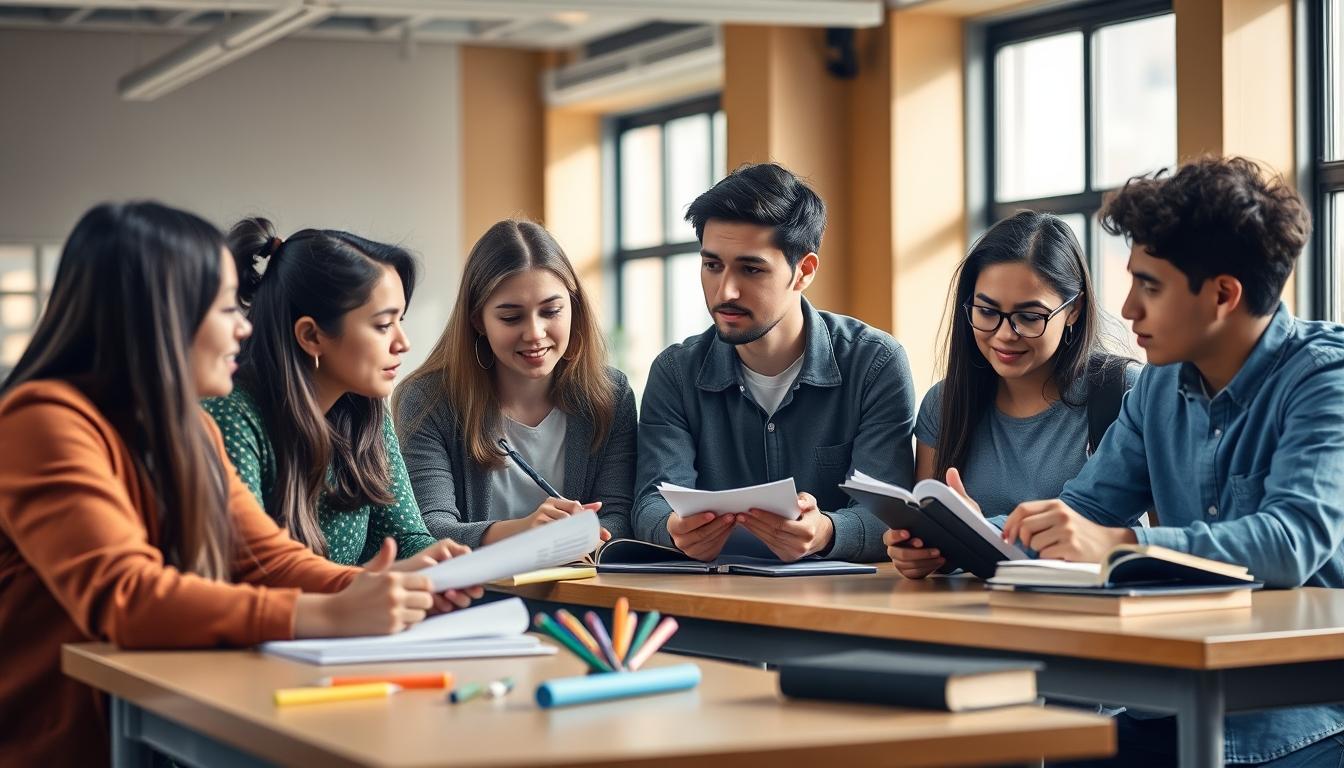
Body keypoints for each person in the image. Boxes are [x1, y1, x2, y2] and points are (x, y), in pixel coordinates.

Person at [894, 157, 1344, 765]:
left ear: (1222, 294)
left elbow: (1290, 541)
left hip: (1300, 717)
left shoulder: (1323, 379)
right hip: (1169, 703)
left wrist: (1120, 546)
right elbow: (1079, 513)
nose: (1127, 309)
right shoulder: (1158, 388)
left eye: (1149, 286)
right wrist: (968, 536)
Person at [0, 202, 463, 765]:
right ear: (161, 318)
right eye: (225, 309)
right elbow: (127, 596)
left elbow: (265, 558)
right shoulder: (42, 422)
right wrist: (330, 613)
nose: (244, 326)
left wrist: (367, 588)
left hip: (152, 726)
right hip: (64, 746)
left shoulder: (187, 425)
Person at [632, 162, 916, 564]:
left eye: (751, 269)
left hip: (839, 604)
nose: (725, 290)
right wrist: (673, 528)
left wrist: (827, 532)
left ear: (804, 271)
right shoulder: (675, 373)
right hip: (713, 601)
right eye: (712, 265)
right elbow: (650, 502)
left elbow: (891, 513)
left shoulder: (875, 363)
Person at [204, 218, 468, 575]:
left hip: (348, 623)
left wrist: (443, 563)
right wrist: (368, 582)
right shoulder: (230, 413)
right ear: (311, 336)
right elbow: (251, 569)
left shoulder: (365, 410)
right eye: (383, 325)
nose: (403, 343)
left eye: (401, 320)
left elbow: (406, 539)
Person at [886, 211, 1136, 570]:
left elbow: (1167, 542)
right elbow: (930, 537)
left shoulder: (1124, 392)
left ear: (1074, 309)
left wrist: (979, 532)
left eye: (1030, 317)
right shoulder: (943, 405)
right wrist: (919, 553)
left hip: (1094, 613)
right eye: (987, 311)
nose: (1005, 334)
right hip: (974, 614)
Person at [395, 220, 632, 548]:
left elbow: (619, 515)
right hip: (474, 596)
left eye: (551, 311)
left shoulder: (610, 394)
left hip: (579, 591)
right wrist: (523, 532)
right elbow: (428, 529)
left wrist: (591, 532)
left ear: (573, 308)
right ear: (478, 320)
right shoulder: (428, 399)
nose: (535, 333)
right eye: (511, 317)